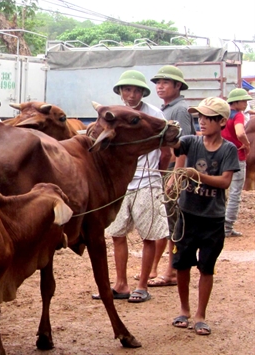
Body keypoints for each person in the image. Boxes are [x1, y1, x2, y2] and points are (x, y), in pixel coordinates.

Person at [94, 70, 170, 303]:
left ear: (143, 93)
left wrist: (158, 174)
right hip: (121, 184)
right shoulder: (112, 115)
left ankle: (142, 285)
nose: (132, 94)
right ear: (120, 92)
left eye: (137, 90)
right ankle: (121, 284)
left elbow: (166, 151)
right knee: (116, 233)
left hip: (147, 180)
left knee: (148, 235)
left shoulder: (155, 115)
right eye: (127, 89)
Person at [169, 97, 239, 335]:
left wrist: (195, 175)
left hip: (213, 219)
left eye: (208, 118)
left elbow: (225, 181)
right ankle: (184, 310)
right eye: (200, 117)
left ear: (222, 121)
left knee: (207, 267)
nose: (202, 121)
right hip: (187, 215)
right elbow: (175, 145)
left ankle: (201, 314)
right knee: (182, 265)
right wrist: (169, 134)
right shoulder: (190, 141)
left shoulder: (228, 149)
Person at [148, 65, 196, 287]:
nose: (160, 86)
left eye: (165, 82)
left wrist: (176, 176)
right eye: (158, 83)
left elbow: (184, 145)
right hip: (165, 170)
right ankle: (155, 268)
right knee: (163, 221)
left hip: (174, 171)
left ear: (178, 86)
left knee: (173, 223)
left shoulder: (180, 110)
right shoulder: (165, 109)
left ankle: (172, 271)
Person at [220, 87, 251, 237]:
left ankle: (217, 224)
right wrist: (246, 143)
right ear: (236, 102)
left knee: (220, 192)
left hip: (221, 155)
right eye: (244, 101)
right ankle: (227, 227)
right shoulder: (238, 116)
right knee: (235, 193)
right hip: (237, 157)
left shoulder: (224, 116)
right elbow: (240, 132)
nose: (246, 103)